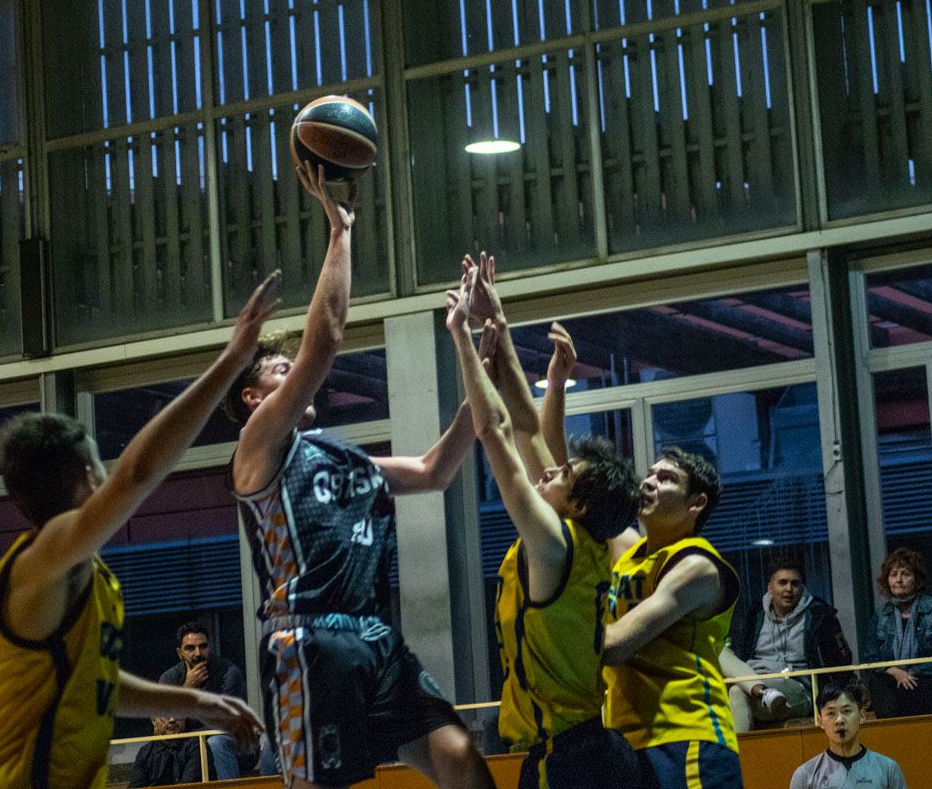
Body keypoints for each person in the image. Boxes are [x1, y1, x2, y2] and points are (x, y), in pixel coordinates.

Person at [222, 166, 493, 789]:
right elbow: (324, 344)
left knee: (464, 762)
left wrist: (481, 352)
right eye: (280, 371)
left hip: (375, 634)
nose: (296, 375)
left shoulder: (343, 457)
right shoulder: (258, 448)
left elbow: (434, 470)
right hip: (308, 638)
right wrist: (340, 233)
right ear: (252, 398)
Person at [0, 274, 276, 789]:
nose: (108, 476)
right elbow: (138, 472)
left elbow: (99, 684)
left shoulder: (78, 573)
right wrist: (230, 360)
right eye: (98, 465)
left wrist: (199, 702)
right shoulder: (40, 562)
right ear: (84, 474)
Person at [446, 256, 641, 789]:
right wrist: (497, 320)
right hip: (587, 750)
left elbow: (496, 432)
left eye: (564, 474)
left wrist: (461, 336)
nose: (551, 470)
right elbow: (529, 430)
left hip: (574, 762)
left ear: (578, 504)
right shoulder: (579, 536)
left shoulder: (554, 544)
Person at [603, 447, 743, 789]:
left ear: (696, 503)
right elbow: (571, 489)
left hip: (688, 736)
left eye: (666, 479)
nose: (649, 482)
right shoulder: (630, 554)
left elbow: (614, 646)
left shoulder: (697, 566)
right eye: (649, 474)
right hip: (630, 739)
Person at [724, 558, 852, 730]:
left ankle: (740, 748)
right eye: (782, 583)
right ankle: (761, 693)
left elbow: (842, 662)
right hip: (755, 678)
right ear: (770, 587)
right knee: (721, 654)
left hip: (797, 687)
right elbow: (739, 656)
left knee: (736, 693)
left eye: (795, 584)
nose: (789, 589)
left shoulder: (820, 616)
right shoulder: (754, 615)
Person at [860, 548, 932, 718]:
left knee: (898, 694)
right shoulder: (880, 615)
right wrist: (894, 671)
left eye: (905, 574)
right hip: (892, 682)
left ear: (916, 579)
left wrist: (913, 671)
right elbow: (870, 661)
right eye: (893, 574)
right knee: (879, 683)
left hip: (927, 680)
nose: (898, 580)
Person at [157, 621, 248, 780]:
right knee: (155, 750)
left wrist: (182, 719)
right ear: (180, 653)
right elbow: (163, 723)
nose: (198, 653)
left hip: (233, 743)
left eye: (203, 646)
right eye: (190, 648)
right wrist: (187, 688)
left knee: (215, 743)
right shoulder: (169, 678)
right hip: (188, 745)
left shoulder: (229, 673)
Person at [789, 680, 907, 789]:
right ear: (820, 721)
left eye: (846, 711)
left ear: (862, 716)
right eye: (831, 713)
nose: (839, 720)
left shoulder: (888, 769)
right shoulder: (805, 775)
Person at [127, 717, 201, 788]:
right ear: (153, 720)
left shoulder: (198, 744)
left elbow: (189, 786)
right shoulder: (145, 752)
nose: (172, 719)